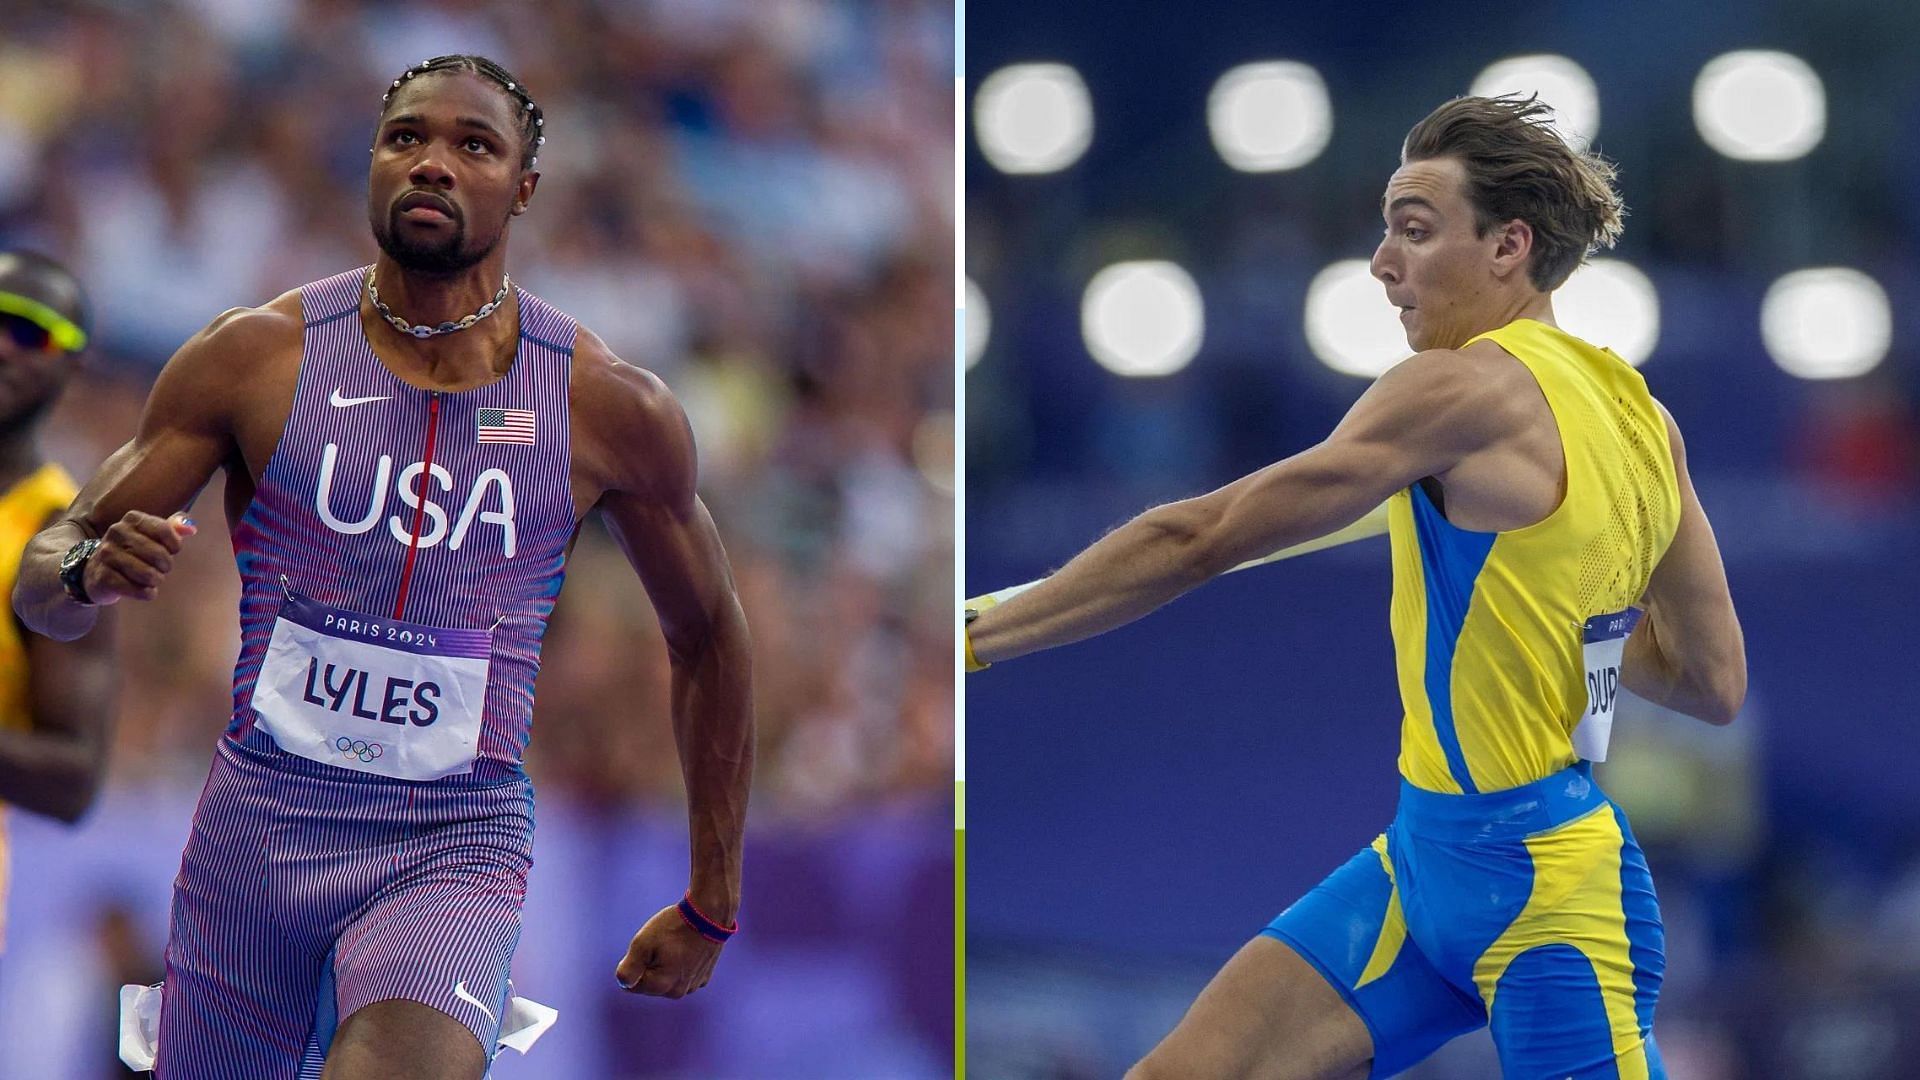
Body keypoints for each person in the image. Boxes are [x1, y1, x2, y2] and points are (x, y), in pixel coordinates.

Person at [964, 95, 1745, 1079]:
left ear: (1508, 245)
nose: (1382, 263)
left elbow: (1197, 536)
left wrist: (978, 635)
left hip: (1551, 897)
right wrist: (1569, 605)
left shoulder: (1462, 389)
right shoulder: (1646, 422)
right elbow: (1713, 679)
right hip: (1426, 868)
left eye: (1415, 232)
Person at [12, 55, 754, 1080]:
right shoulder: (255, 360)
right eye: (408, 137)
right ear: (372, 160)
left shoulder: (607, 406)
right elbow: (39, 580)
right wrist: (88, 566)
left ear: (524, 188)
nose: (434, 164)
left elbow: (709, 636)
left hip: (452, 841)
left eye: (474, 145)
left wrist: (713, 897)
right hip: (257, 837)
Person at [0, 251, 119, 946]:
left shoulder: (55, 537)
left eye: (30, 332)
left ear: (73, 366)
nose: (2, 347)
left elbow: (75, 777)